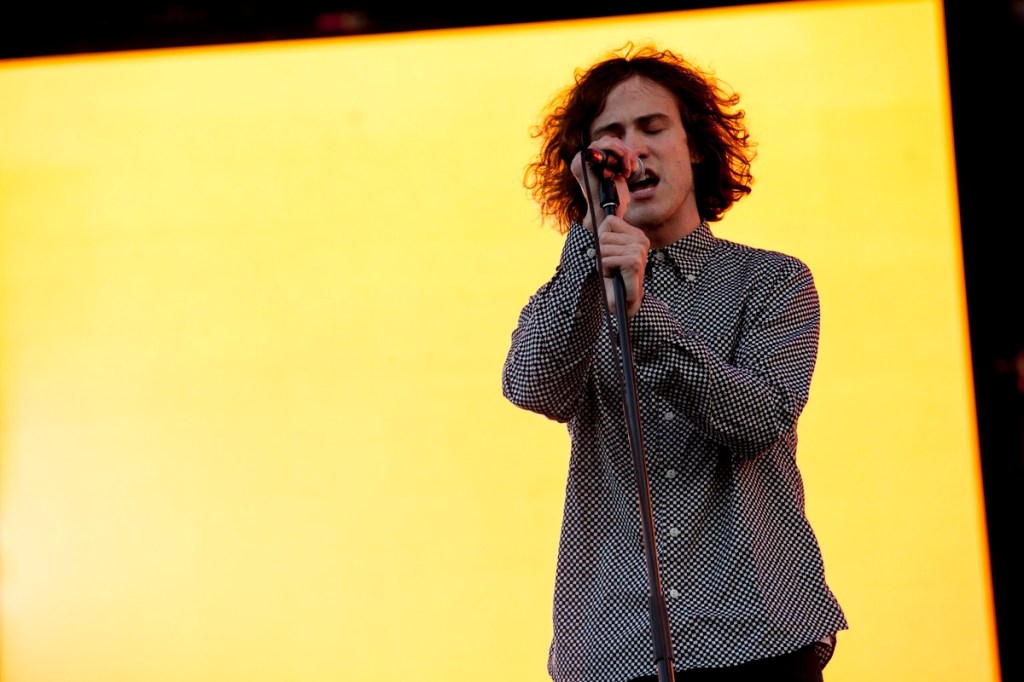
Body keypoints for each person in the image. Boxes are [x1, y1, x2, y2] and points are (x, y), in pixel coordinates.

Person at [501, 42, 848, 682]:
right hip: (613, 644)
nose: (632, 151)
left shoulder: (772, 281)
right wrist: (589, 247)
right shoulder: (577, 292)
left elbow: (759, 418)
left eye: (652, 128)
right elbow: (531, 385)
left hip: (756, 633)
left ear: (695, 146)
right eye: (611, 137)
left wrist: (642, 318)